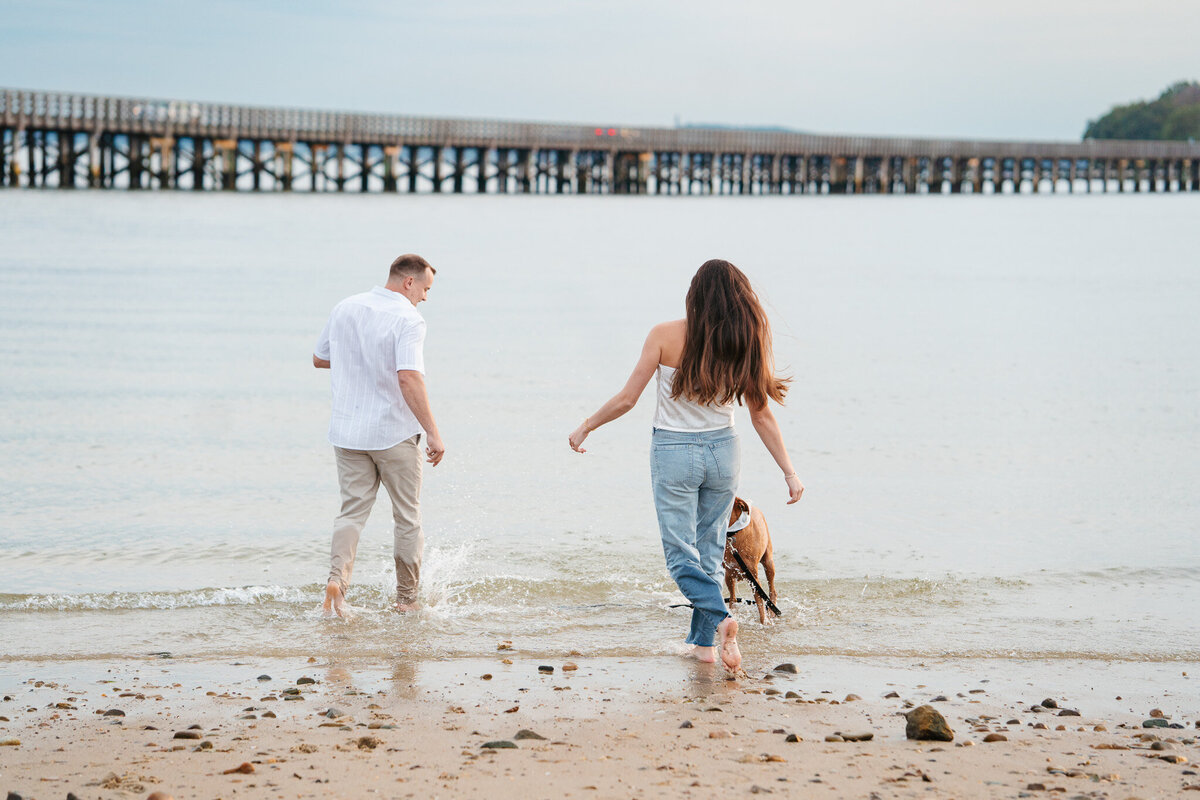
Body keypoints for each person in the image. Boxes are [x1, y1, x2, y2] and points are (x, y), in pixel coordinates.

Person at [568, 259, 803, 672]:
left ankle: (722, 618)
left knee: (680, 556)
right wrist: (789, 472)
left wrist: (586, 426)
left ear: (694, 295)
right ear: (739, 297)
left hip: (674, 452)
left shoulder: (664, 334)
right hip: (724, 452)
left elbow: (627, 399)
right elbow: (761, 414)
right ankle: (704, 648)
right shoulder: (744, 338)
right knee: (709, 555)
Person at [313, 254, 445, 618]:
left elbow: (319, 358)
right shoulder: (409, 319)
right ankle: (406, 600)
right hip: (393, 432)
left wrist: (361, 357)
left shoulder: (345, 307)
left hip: (348, 431)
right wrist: (433, 433)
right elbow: (409, 378)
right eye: (425, 288)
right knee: (407, 517)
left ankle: (336, 583)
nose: (425, 298)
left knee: (351, 513)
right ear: (408, 282)